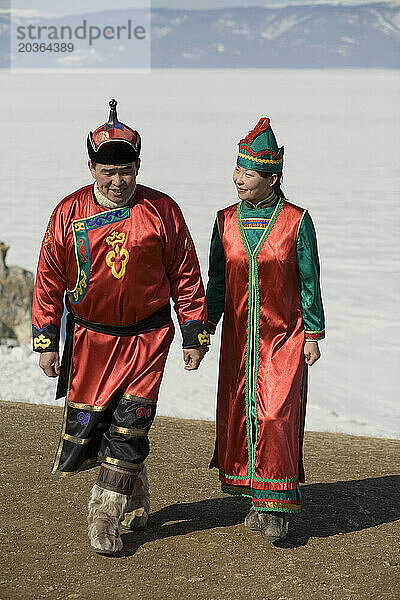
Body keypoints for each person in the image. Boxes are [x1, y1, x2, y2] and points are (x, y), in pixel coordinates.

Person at [32, 99, 210, 555]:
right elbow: (50, 277)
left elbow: (186, 273)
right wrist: (47, 338)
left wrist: (194, 330)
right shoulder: (67, 213)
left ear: (138, 166)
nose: (117, 180)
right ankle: (136, 492)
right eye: (108, 170)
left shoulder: (162, 210)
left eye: (126, 169)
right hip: (90, 338)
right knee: (103, 424)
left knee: (132, 425)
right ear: (91, 167)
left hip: (148, 337)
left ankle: (104, 513)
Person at [206, 117, 325, 541]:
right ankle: (257, 497)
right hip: (239, 340)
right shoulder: (224, 222)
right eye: (237, 171)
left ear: (272, 178)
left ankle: (276, 507)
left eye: (248, 173)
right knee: (242, 414)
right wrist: (203, 330)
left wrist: (312, 333)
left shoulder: (296, 221)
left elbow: (309, 280)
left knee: (276, 415)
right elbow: (216, 283)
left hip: (285, 337)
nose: (238, 180)